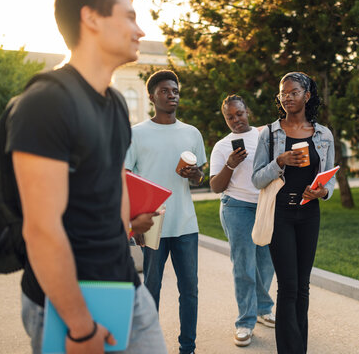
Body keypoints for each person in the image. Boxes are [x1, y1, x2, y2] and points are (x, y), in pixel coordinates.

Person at [7, 0, 168, 353]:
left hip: (125, 285)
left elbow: (108, 190)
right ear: (91, 18)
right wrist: (80, 327)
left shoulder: (113, 104)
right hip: (68, 303)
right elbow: (41, 229)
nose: (140, 30)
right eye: (129, 17)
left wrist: (130, 222)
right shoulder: (46, 103)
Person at [252, 72, 336, 354]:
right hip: (281, 215)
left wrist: (322, 191)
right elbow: (256, 179)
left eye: (294, 92)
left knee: (303, 287)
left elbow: (329, 178)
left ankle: (300, 347)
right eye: (283, 93)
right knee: (288, 287)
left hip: (309, 214)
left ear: (307, 95)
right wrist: (280, 161)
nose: (287, 97)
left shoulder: (323, 135)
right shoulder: (270, 133)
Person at [125, 70, 206, 354]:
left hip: (185, 225)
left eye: (175, 90)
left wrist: (195, 173)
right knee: (151, 291)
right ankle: (149, 347)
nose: (172, 95)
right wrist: (134, 224)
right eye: (165, 91)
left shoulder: (191, 133)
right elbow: (125, 178)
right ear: (151, 96)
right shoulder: (136, 134)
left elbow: (199, 178)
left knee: (190, 292)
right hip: (152, 225)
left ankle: (188, 348)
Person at [209, 95, 275, 347]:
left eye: (239, 114)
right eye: (230, 117)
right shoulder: (222, 147)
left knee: (266, 261)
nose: (236, 120)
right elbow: (215, 186)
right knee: (244, 265)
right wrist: (230, 164)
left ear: (248, 111)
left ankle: (262, 308)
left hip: (265, 207)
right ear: (225, 119)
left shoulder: (265, 137)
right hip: (236, 207)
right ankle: (245, 322)